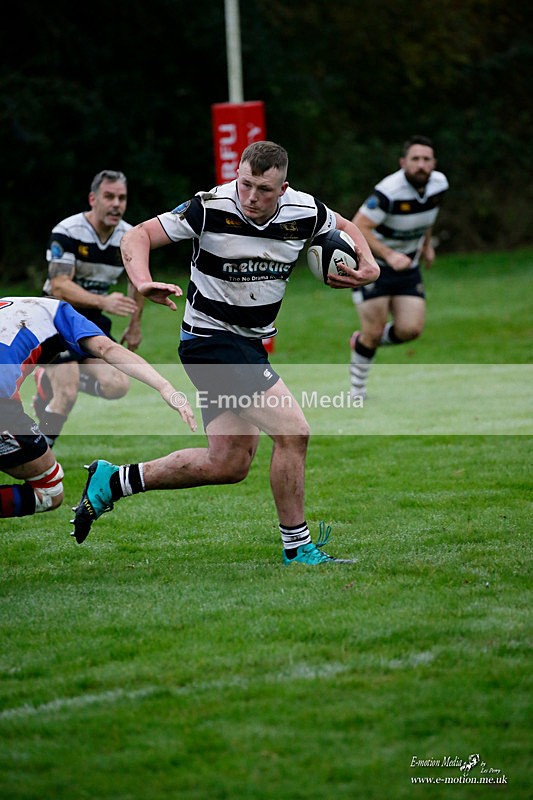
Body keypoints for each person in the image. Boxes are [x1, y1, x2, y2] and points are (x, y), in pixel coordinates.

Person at [71, 140, 380, 565]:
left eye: (264, 190)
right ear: (238, 173)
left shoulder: (303, 211)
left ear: (283, 188)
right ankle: (298, 547)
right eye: (246, 183)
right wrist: (142, 281)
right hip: (210, 342)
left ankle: (114, 480)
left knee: (228, 463)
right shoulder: (210, 206)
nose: (251, 196)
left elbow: (345, 224)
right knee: (294, 431)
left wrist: (370, 263)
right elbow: (140, 234)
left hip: (247, 343)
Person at [0, 296, 195, 525]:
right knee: (49, 491)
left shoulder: (10, 304)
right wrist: (165, 386)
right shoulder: (63, 314)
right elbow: (107, 348)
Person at [34, 170, 144, 447]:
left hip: (90, 320)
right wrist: (104, 301)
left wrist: (134, 326)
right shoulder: (68, 231)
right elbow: (59, 285)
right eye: (109, 197)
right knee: (67, 392)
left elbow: (139, 282)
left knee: (117, 385)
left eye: (122, 198)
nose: (116, 204)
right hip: (55, 317)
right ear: (93, 199)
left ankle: (48, 382)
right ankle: (40, 453)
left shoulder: (128, 237)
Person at [348, 135, 449, 399]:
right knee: (373, 330)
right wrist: (389, 255)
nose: (421, 165)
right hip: (374, 265)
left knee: (410, 329)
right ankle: (357, 391)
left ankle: (362, 343)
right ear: (403, 162)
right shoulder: (388, 192)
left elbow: (428, 216)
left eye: (426, 159)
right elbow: (358, 224)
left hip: (408, 266)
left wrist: (426, 245)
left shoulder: (439, 185)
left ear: (434, 163)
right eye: (415, 159)